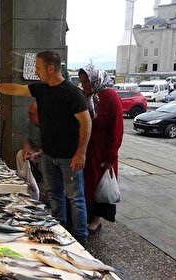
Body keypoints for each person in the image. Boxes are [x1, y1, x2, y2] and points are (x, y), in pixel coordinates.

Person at [0, 51, 92, 243]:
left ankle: (80, 237)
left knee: (76, 198)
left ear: (51, 68)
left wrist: (81, 152)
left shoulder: (71, 92)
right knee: (54, 195)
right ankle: (58, 229)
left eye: (38, 68)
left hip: (69, 155)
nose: (36, 72)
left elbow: (86, 123)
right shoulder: (42, 88)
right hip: (48, 153)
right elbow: (15, 89)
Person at [79, 65, 123, 234]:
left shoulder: (110, 97)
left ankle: (96, 220)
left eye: (87, 82)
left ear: (95, 79)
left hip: (102, 153)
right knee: (86, 186)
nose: (84, 86)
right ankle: (87, 216)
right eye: (82, 83)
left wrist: (111, 156)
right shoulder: (86, 96)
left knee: (98, 187)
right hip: (87, 150)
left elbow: (117, 129)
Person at [16, 102, 42, 172]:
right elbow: (26, 141)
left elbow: (49, 147)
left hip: (45, 152)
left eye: (32, 114)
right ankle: (24, 177)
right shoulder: (29, 122)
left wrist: (36, 154)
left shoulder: (47, 124)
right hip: (34, 149)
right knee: (20, 154)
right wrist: (26, 151)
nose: (29, 116)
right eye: (29, 113)